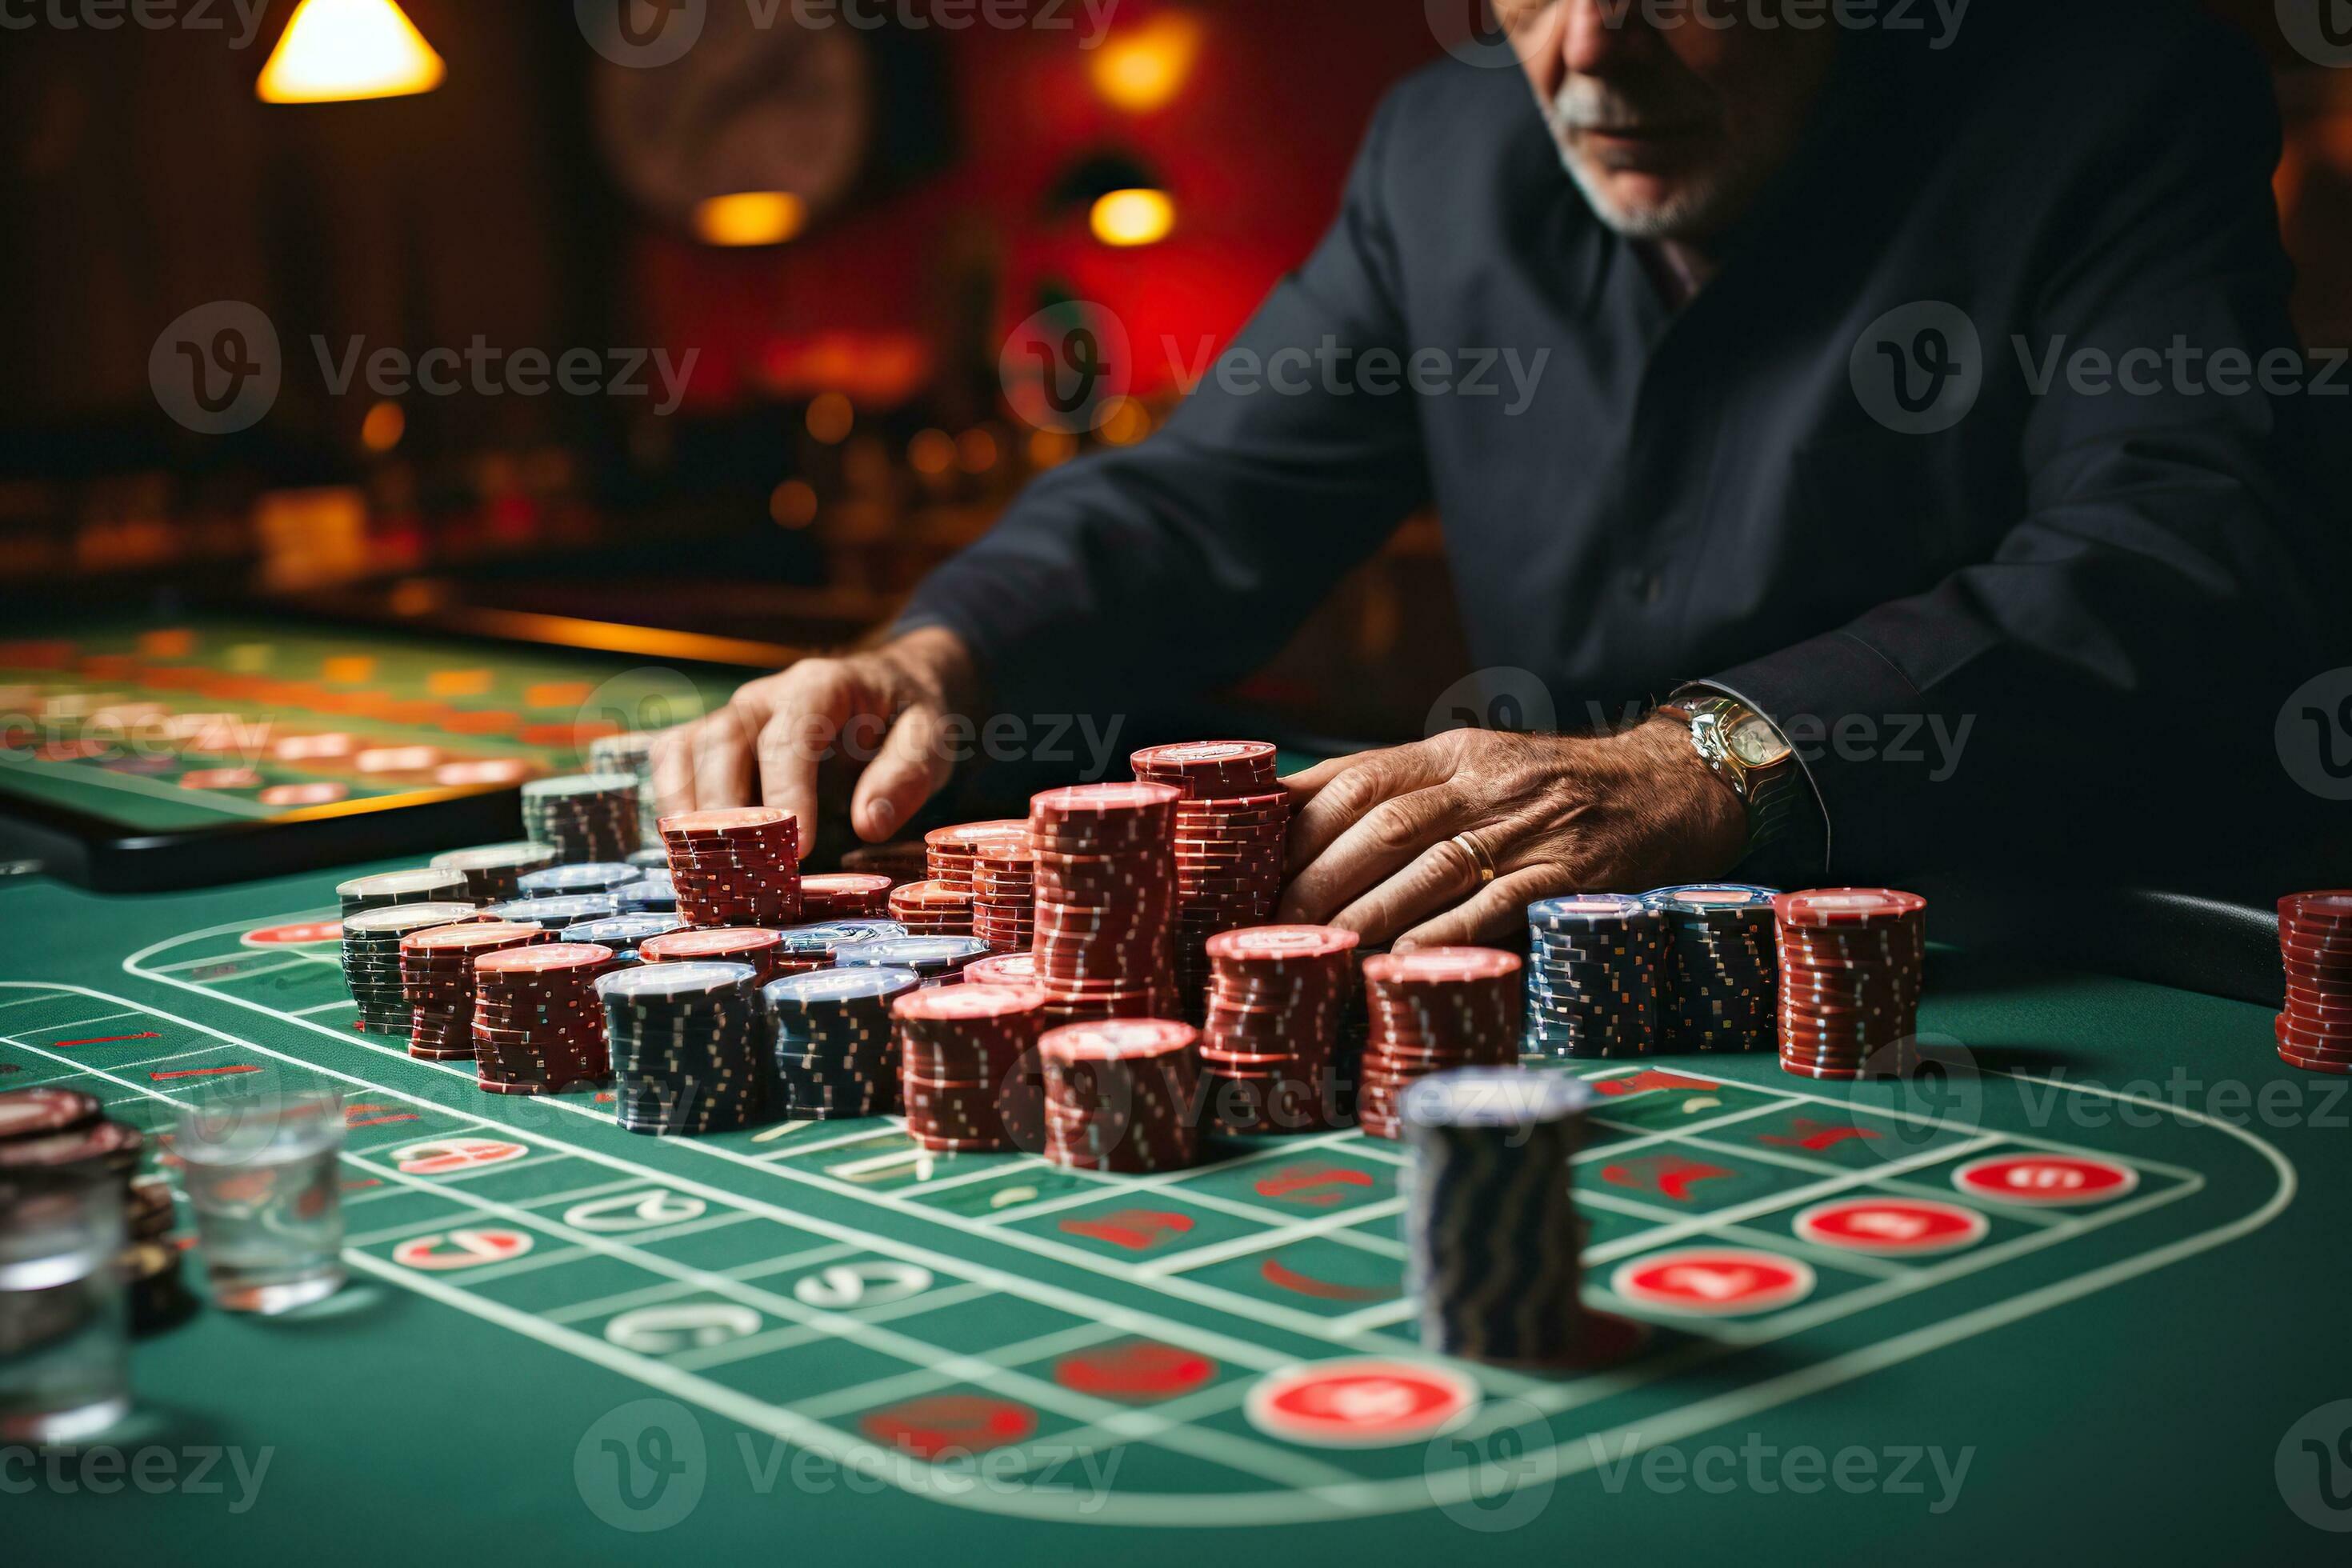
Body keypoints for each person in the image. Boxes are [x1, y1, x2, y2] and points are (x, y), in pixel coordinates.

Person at [655, 0, 2341, 950]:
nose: (1591, 52)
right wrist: (933, 657)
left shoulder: (2105, 92)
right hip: (1555, 988)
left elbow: (2176, 549)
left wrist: (1706, 763)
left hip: (2020, 955)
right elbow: (1199, 503)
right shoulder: (1447, 152)